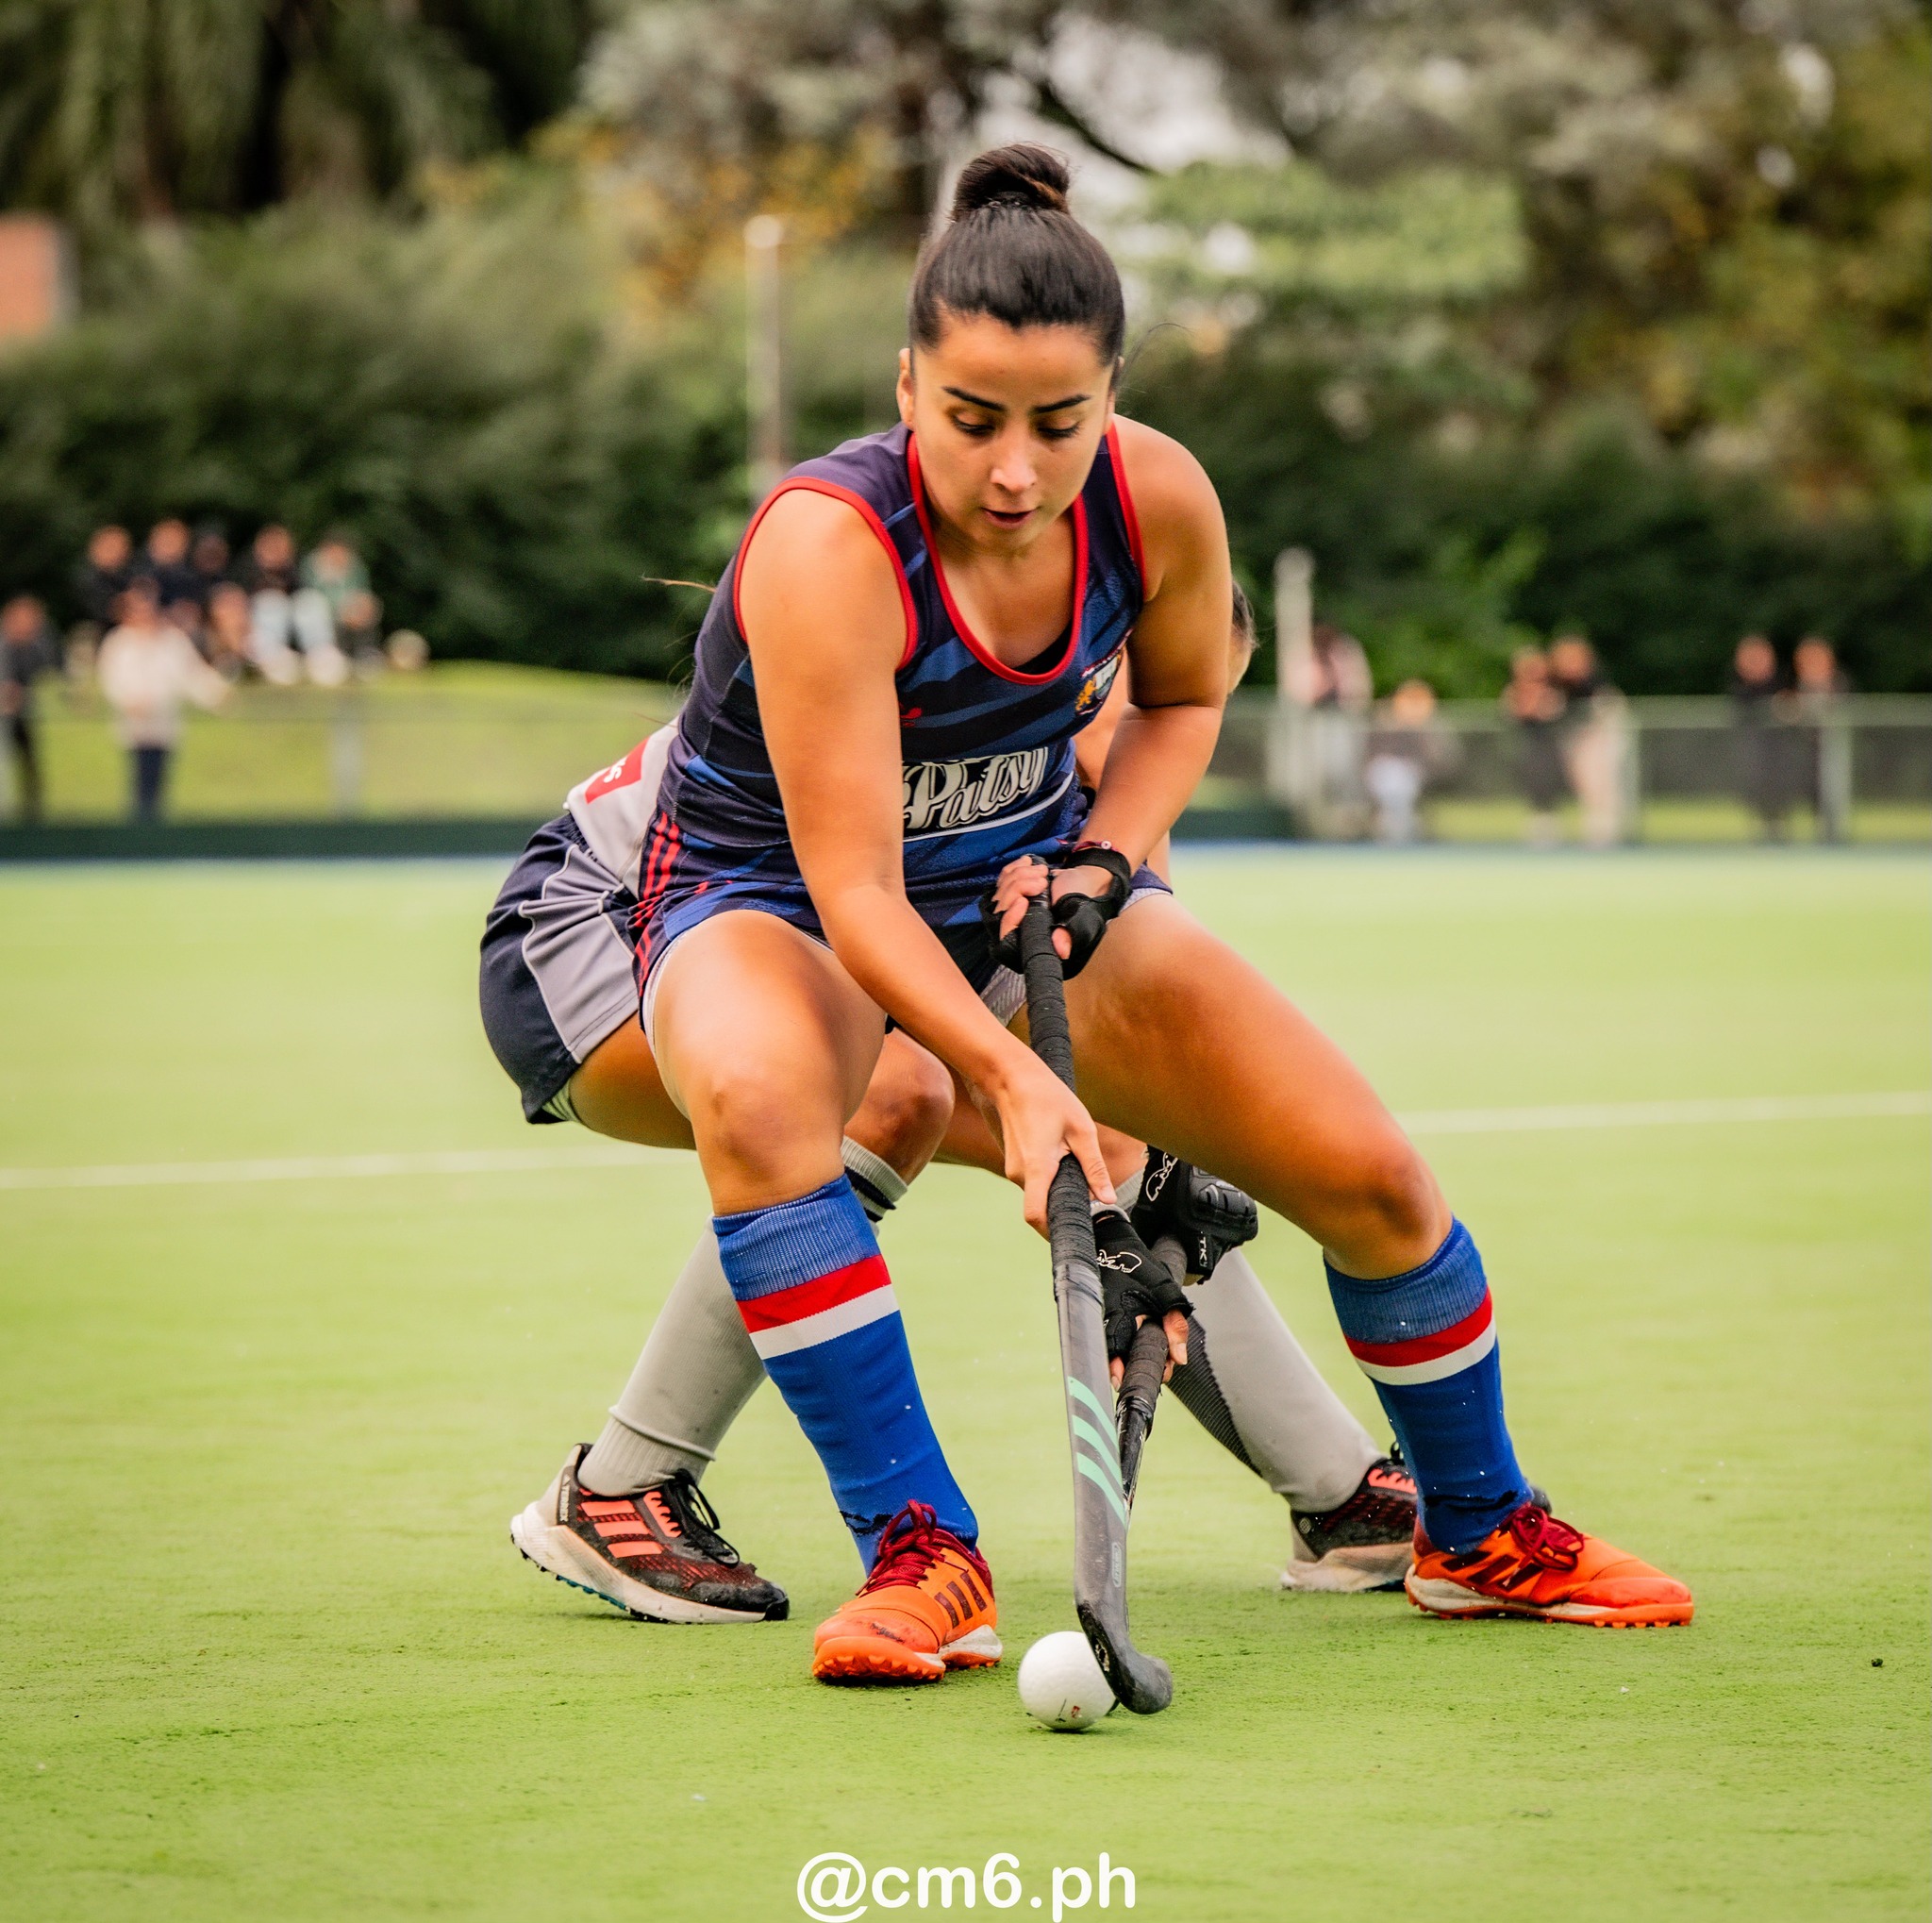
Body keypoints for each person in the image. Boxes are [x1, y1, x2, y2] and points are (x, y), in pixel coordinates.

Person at [481, 142, 1690, 1686]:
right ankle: (918, 1550)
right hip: (761, 901)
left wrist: (1104, 867)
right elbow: (854, 891)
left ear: (1110, 397)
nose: (1014, 472)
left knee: (1365, 1174)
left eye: (1059, 424)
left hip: (1013, 883)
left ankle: (1476, 1525)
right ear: (906, 386)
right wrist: (1021, 1082)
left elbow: (1180, 707)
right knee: (809, 1096)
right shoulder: (830, 548)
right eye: (972, 419)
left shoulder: (1153, 503)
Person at [489, 586, 1426, 1630]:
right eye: (1148, 689)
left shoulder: (1094, 779)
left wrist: (1156, 1163)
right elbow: (848, 917)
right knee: (895, 1093)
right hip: (593, 932)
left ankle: (1340, 1499)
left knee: (1111, 1149)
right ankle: (627, 1484)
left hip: (808, 949)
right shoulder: (952, 699)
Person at [95, 577, 228, 821]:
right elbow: (111, 680)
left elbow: (192, 675)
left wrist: (218, 694)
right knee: (139, 783)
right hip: (133, 726)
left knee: (156, 784)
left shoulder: (171, 641)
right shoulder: (118, 643)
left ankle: (151, 828)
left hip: (163, 725)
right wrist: (130, 702)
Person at [1548, 635, 1629, 847]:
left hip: (1603, 734)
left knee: (1604, 783)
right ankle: (1596, 832)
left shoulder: (1592, 682)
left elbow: (1604, 711)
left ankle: (1607, 833)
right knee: (1586, 784)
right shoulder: (1560, 684)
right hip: (1580, 737)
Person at [1362, 678, 1455, 844]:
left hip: (1415, 776)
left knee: (1400, 784)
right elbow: (1370, 756)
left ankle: (1401, 828)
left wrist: (1419, 730)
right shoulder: (1384, 724)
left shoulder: (1431, 728)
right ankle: (1391, 828)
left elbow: (1440, 760)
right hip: (1383, 774)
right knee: (1390, 778)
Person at [1, 594, 58, 822]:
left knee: (29, 763)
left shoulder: (37, 646)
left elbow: (48, 674)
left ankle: (32, 814)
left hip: (22, 714)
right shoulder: (4, 645)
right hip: (5, 714)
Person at [1502, 646, 1567, 844]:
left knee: (1549, 788)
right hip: (1526, 748)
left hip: (1549, 748)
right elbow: (1517, 712)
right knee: (1532, 788)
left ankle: (1549, 827)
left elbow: (1551, 711)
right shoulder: (1513, 692)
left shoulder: (1553, 691)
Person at [1729, 634, 1788, 839]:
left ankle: (1778, 825)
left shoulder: (1782, 682)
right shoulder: (1738, 686)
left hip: (1779, 751)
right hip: (1752, 751)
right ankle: (1759, 825)